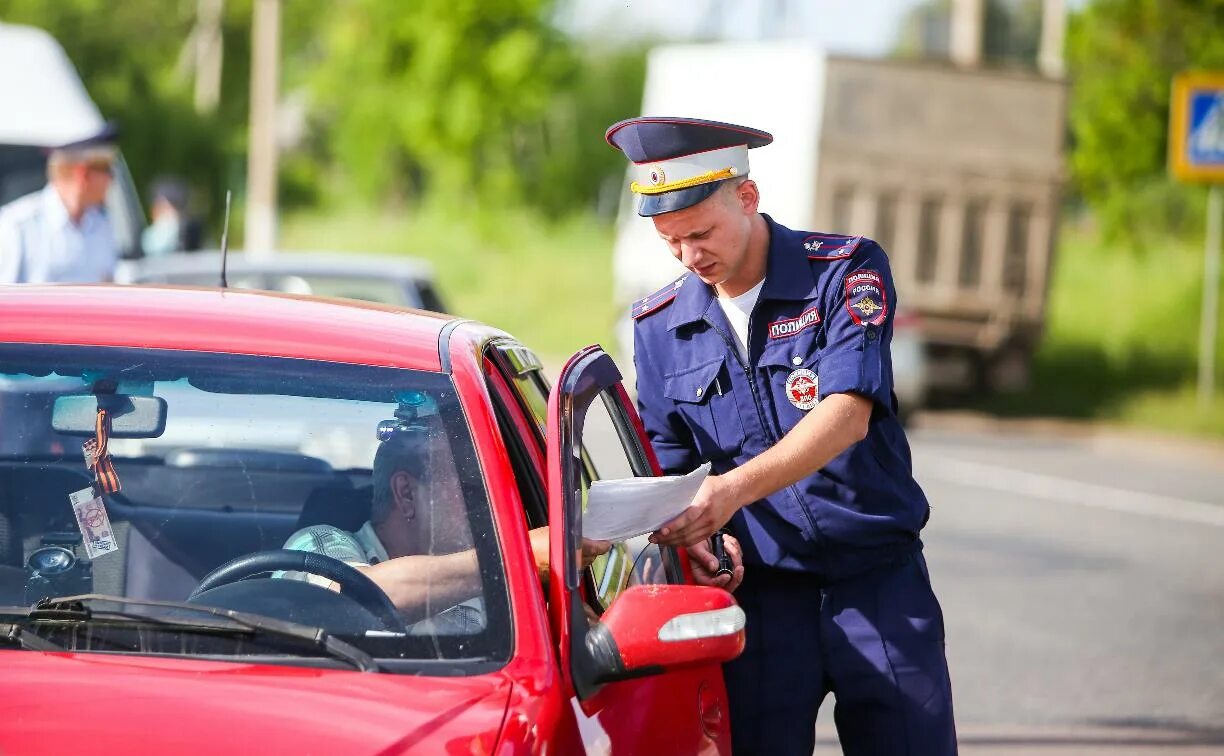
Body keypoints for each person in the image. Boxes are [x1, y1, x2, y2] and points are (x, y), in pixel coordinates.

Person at [607, 117, 957, 755]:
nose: (690, 256)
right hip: (761, 605)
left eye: (701, 233)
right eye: (671, 242)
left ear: (747, 198)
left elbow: (848, 413)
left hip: (877, 585)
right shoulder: (658, 327)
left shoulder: (843, 273)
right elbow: (670, 473)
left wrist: (731, 491)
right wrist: (703, 539)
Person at [280, 414, 616, 628]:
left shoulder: (493, 585)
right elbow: (356, 599)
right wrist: (514, 557)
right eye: (469, 484)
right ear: (407, 494)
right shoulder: (320, 545)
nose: (487, 500)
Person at [0, 123, 120, 283]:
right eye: (106, 170)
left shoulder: (102, 225)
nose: (111, 179)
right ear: (83, 174)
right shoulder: (18, 227)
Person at [142, 177, 202, 257]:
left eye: (167, 210)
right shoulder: (146, 241)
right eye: (162, 210)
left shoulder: (191, 238)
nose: (166, 218)